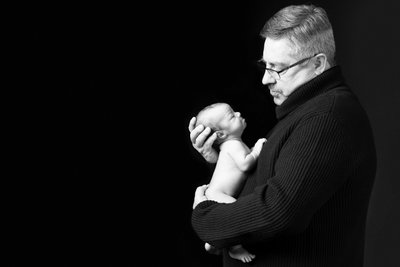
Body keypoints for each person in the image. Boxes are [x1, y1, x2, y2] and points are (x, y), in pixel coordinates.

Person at [188, 4, 376, 267]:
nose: (266, 79)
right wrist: (219, 160)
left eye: (277, 68)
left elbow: (277, 211)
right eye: (265, 66)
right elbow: (271, 188)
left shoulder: (326, 118)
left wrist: (205, 216)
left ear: (318, 64)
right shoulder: (306, 112)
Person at [193, 102, 267, 263]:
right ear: (220, 134)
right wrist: (258, 149)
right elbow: (246, 164)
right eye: (232, 116)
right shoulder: (233, 145)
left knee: (228, 219)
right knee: (238, 216)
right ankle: (234, 248)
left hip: (215, 192)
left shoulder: (231, 145)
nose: (239, 113)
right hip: (218, 194)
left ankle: (213, 243)